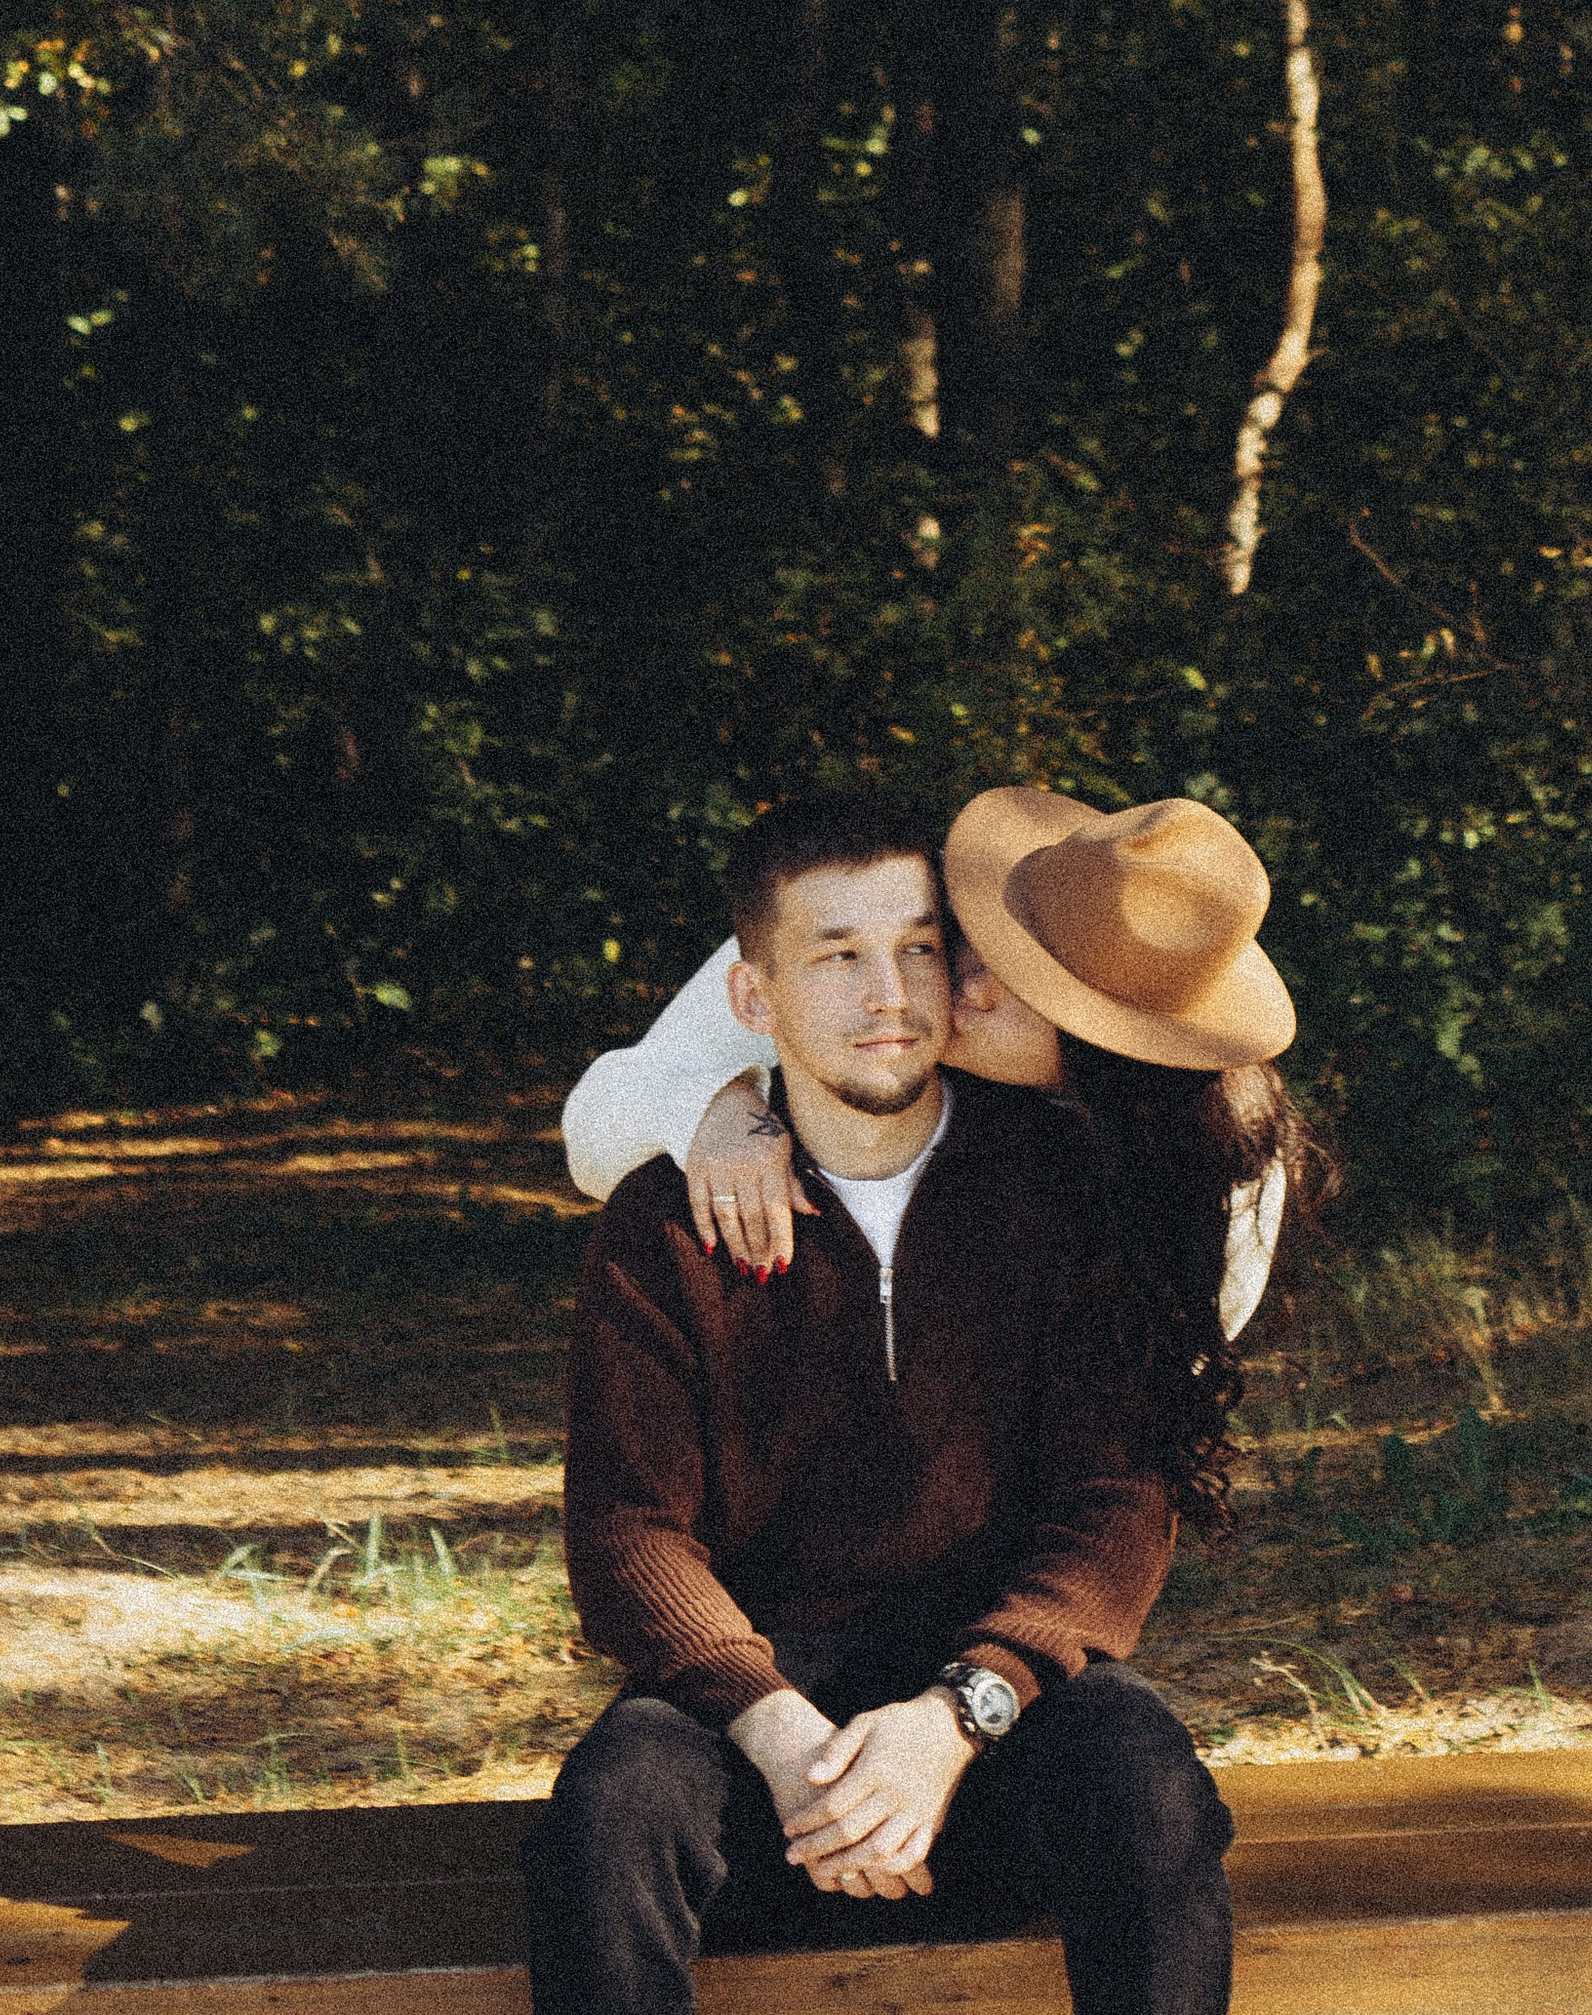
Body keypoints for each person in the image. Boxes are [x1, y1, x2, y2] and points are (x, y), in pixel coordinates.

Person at [525, 791, 1237, 2015]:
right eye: (837, 956)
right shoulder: (664, 1225)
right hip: (754, 1704)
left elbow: (1118, 1499)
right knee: (610, 1810)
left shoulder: (1076, 1193)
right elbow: (629, 1532)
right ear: (752, 1000)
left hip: (988, 1704)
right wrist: (781, 1735)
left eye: (916, 950)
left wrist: (959, 1714)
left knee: (1145, 1778)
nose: (889, 997)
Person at [562, 787, 1313, 1499]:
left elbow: (1136, 1402)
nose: (971, 981)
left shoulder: (1220, 1173)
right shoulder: (870, 925)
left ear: (1112, 1058)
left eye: (1036, 990)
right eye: (994, 943)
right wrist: (718, 1107)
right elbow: (593, 1126)